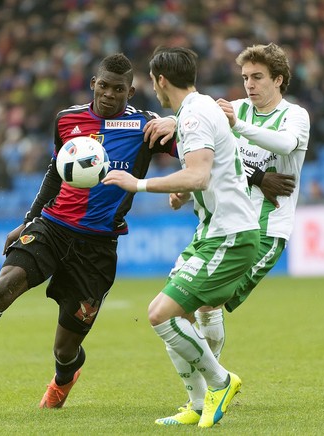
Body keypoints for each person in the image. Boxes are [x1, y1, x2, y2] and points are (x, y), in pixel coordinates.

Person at [0, 53, 177, 408]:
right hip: (52, 228)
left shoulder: (147, 128)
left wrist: (178, 125)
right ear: (93, 84)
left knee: (65, 347)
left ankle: (64, 377)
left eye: (119, 89)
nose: (109, 94)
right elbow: (56, 173)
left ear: (130, 91)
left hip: (97, 247)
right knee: (1, 289)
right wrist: (28, 219)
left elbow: (200, 154)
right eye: (103, 86)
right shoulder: (67, 119)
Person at [102, 46, 260, 428]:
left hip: (230, 234)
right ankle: (194, 402)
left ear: (159, 80)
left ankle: (220, 382)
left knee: (160, 316)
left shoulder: (192, 117)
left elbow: (199, 174)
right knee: (178, 317)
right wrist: (187, 190)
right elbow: (216, 166)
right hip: (214, 232)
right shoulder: (198, 108)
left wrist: (137, 183)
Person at [193, 42, 310, 390]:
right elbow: (213, 159)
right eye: (245, 77)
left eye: (258, 77)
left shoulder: (295, 115)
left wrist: (236, 127)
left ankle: (213, 386)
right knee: (201, 303)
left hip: (267, 228)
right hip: (227, 224)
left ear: (278, 79)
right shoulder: (237, 109)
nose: (250, 85)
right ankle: (215, 385)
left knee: (207, 300)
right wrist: (258, 177)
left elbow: (285, 145)